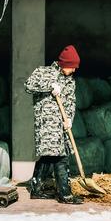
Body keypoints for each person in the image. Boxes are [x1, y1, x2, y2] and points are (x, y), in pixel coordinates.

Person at [24, 45, 83, 204]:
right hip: (47, 124)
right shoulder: (43, 72)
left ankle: (36, 189)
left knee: (49, 156)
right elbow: (28, 86)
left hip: (61, 125)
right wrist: (49, 86)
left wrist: (69, 119)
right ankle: (65, 194)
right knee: (60, 157)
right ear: (64, 63)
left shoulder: (70, 81)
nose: (74, 70)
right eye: (72, 67)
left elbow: (71, 102)